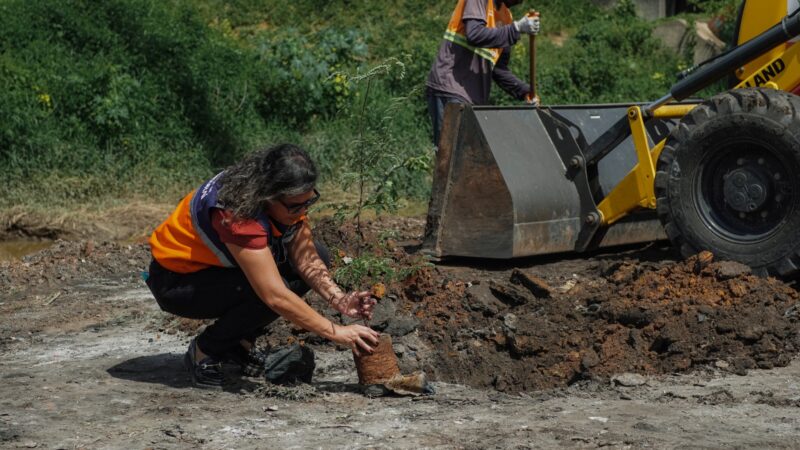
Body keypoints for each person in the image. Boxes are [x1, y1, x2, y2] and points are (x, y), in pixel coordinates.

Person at [145, 143, 380, 388]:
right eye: (295, 206)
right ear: (269, 196)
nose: (302, 211)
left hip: (213, 273)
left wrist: (339, 299)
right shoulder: (237, 214)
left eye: (308, 203)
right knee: (266, 289)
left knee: (317, 255)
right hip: (177, 282)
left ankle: (238, 345)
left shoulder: (283, 195)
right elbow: (274, 296)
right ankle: (204, 352)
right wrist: (336, 332)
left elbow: (306, 258)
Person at [426, 0, 541, 147]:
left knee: (466, 161)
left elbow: (498, 69)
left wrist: (525, 91)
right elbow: (474, 34)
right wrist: (516, 28)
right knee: (451, 159)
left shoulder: (506, 17)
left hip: (472, 98)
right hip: (451, 87)